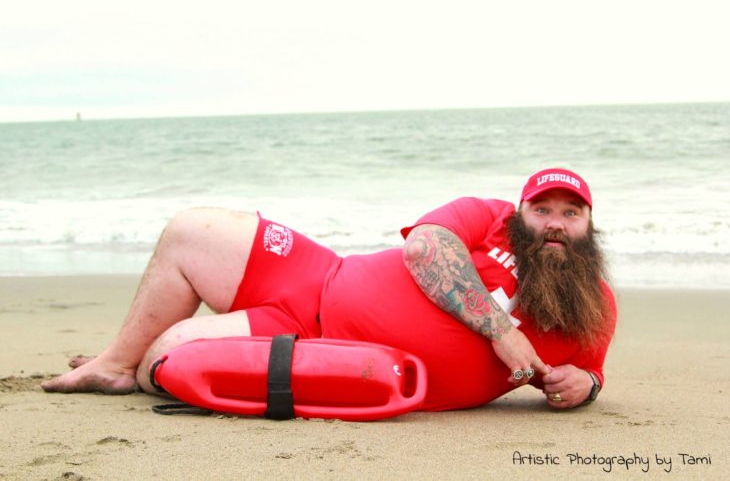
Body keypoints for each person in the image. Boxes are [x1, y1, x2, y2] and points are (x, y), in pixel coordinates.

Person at [43, 168, 617, 411]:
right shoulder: (486, 216)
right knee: (190, 229)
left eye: (571, 212)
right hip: (318, 273)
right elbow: (424, 248)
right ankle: (113, 362)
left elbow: (590, 376)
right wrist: (499, 331)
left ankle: (139, 361)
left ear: (589, 225)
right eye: (540, 209)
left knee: (164, 361)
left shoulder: (593, 307)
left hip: (318, 350)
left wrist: (580, 386)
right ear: (520, 213)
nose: (554, 223)